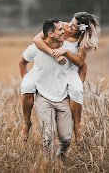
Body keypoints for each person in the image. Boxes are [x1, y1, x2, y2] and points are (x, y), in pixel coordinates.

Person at [21, 12, 100, 144]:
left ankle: (77, 127)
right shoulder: (60, 27)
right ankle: (26, 122)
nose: (69, 26)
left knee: (76, 90)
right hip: (48, 67)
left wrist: (66, 52)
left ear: (81, 29)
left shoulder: (82, 40)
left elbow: (81, 63)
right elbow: (36, 40)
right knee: (26, 86)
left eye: (74, 26)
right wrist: (53, 53)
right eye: (71, 21)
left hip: (69, 69)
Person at [19, 19, 73, 159]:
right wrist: (27, 79)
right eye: (60, 30)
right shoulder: (35, 48)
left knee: (66, 139)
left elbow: (81, 63)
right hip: (43, 97)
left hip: (63, 96)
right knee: (48, 138)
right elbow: (22, 61)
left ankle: (60, 156)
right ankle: (49, 166)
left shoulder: (68, 47)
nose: (64, 31)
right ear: (50, 33)